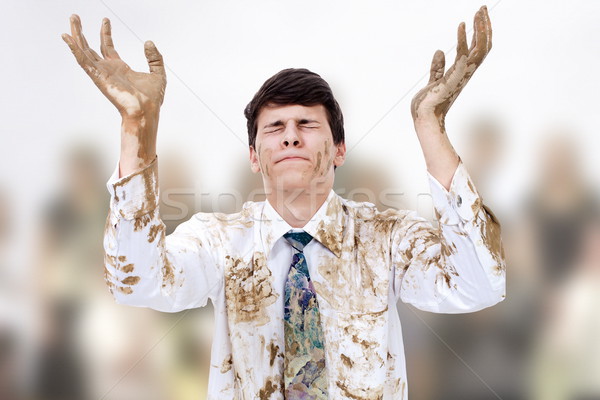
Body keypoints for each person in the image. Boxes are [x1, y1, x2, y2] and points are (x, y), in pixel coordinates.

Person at [62, 5, 505, 399]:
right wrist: (138, 126)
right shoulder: (218, 241)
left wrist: (430, 125)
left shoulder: (387, 238)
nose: (291, 133)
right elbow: (134, 283)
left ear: (339, 150)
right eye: (274, 127)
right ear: (254, 157)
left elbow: (479, 284)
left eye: (307, 123)